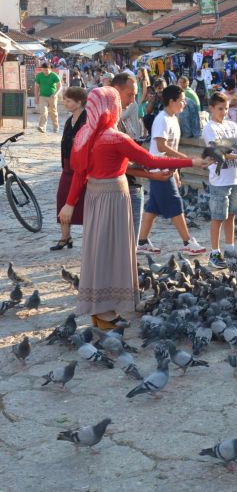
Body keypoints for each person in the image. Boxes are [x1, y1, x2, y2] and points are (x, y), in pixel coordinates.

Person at [59, 87, 209, 329]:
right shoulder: (116, 137)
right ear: (112, 107)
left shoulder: (86, 135)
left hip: (95, 198)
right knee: (115, 252)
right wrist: (192, 161)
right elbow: (152, 159)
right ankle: (107, 312)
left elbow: (82, 173)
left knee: (98, 252)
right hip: (114, 198)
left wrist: (69, 203)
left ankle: (99, 310)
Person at [137, 85, 206, 256]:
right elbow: (161, 145)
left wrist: (176, 170)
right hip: (159, 168)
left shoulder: (173, 118)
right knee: (175, 203)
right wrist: (184, 159)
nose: (184, 103)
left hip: (167, 167)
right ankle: (187, 241)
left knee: (153, 206)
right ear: (171, 101)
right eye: (182, 100)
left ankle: (141, 241)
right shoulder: (162, 119)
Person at [111, 72, 172, 248]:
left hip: (134, 183)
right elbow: (119, 163)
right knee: (126, 244)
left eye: (134, 95)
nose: (132, 100)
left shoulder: (121, 117)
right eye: (130, 95)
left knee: (131, 243)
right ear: (116, 90)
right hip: (123, 186)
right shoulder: (109, 123)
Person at [203, 92, 237, 269]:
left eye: (226, 108)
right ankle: (214, 252)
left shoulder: (232, 125)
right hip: (219, 180)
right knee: (217, 217)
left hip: (236, 176)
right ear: (211, 109)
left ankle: (230, 249)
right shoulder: (209, 127)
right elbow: (217, 151)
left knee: (231, 215)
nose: (224, 112)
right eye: (220, 109)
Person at [51, 87, 88, 251]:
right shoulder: (68, 121)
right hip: (67, 167)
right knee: (62, 199)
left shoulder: (87, 120)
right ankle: (65, 237)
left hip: (82, 169)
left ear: (79, 102)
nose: (65, 103)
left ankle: (90, 239)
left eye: (68, 100)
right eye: (64, 100)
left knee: (86, 204)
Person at [35, 61, 61, 134]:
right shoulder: (39, 75)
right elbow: (36, 87)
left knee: (53, 113)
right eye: (43, 70)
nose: (45, 72)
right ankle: (42, 127)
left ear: (50, 69)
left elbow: (60, 86)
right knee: (43, 111)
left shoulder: (54, 75)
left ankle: (56, 128)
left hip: (52, 96)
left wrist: (56, 94)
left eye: (46, 70)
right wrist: (36, 97)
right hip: (42, 96)